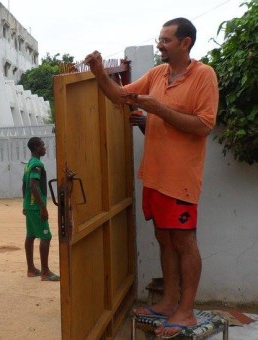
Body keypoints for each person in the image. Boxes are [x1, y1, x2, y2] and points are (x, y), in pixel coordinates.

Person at [85, 17, 218, 338]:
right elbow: (120, 97)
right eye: (159, 39)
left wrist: (157, 109)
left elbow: (203, 125)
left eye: (166, 40)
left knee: (184, 242)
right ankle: (169, 300)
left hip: (181, 179)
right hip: (154, 176)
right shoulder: (158, 74)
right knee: (164, 238)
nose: (160, 44)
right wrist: (99, 73)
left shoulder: (204, 76)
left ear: (185, 43)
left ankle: (185, 310)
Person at [22, 137, 59, 282]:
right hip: (36, 207)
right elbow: (32, 186)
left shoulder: (29, 163)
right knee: (46, 236)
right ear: (37, 147)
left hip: (29, 206)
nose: (45, 148)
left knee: (30, 235)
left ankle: (31, 269)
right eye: (43, 145)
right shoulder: (37, 164)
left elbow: (24, 185)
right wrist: (43, 207)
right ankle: (45, 272)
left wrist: (24, 205)